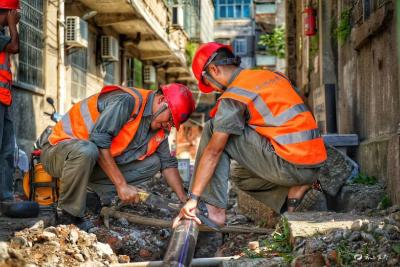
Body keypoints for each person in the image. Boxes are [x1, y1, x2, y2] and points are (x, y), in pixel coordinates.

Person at [173, 42, 328, 228]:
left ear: (213, 69)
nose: (214, 90)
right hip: (314, 161)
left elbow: (214, 151)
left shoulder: (235, 94)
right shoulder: (271, 75)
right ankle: (295, 195)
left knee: (214, 128)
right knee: (239, 175)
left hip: (290, 164)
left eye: (208, 84)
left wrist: (193, 199)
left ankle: (214, 210)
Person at [41, 83, 195, 230]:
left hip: (91, 163)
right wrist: (121, 185)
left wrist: (183, 199)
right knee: (88, 150)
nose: (168, 126)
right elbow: (99, 143)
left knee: (154, 163)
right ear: (162, 101)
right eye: (170, 119)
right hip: (59, 153)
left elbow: (167, 163)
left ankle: (94, 195)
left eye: (172, 124)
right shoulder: (126, 101)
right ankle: (68, 214)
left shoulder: (157, 128)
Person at [0, 0, 20, 203]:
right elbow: (15, 47)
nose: (17, 16)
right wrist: (13, 24)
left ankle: (4, 195)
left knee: (6, 150)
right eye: (15, 13)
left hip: (4, 100)